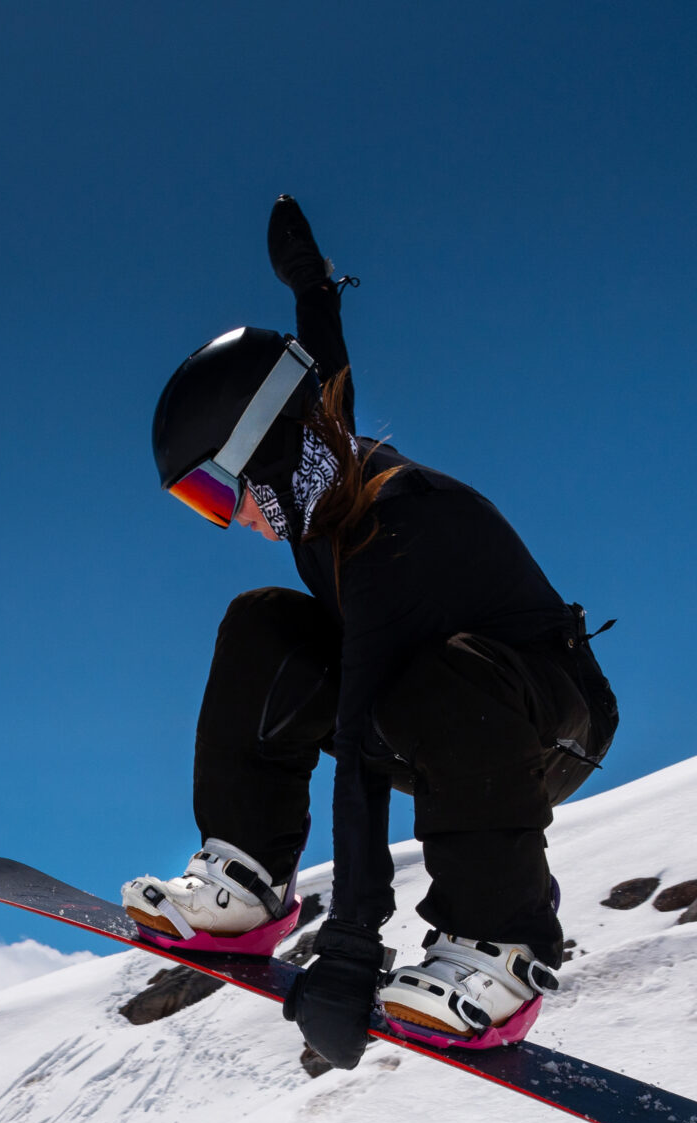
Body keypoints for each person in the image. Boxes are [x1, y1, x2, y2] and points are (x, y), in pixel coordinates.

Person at [124, 196, 618, 1072]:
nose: (225, 518)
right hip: (436, 711)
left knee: (437, 681)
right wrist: (313, 288)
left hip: (546, 715)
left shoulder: (393, 529)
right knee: (263, 622)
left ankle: (504, 947)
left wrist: (351, 946)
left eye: (215, 492)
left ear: (266, 455)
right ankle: (246, 876)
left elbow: (355, 751)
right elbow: (321, 373)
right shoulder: (320, 473)